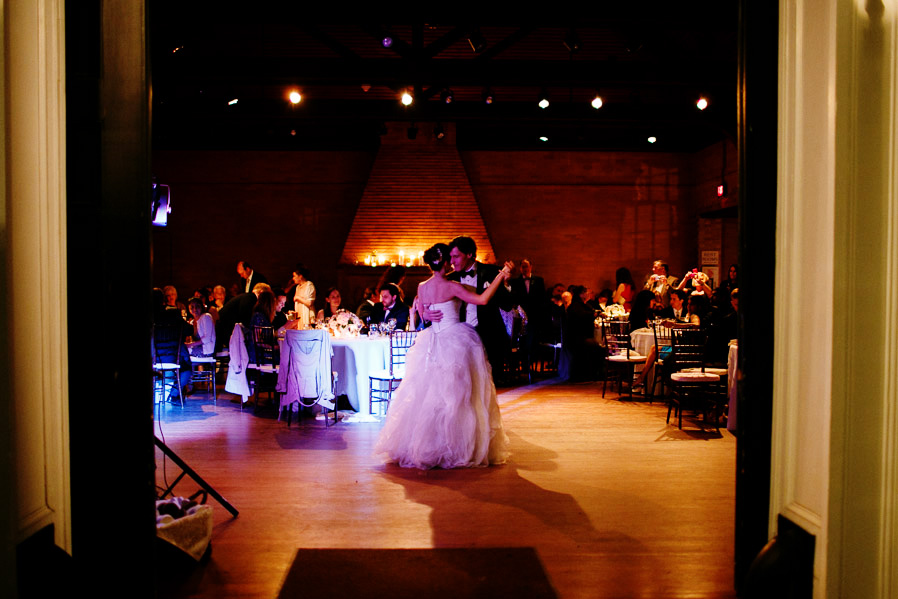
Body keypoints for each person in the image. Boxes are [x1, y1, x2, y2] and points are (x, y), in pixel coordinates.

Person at [374, 243, 512, 470]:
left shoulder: (421, 286)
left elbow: (420, 309)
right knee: (458, 398)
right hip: (455, 341)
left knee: (430, 395)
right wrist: (501, 276)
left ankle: (428, 443)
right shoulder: (452, 286)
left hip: (432, 340)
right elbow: (483, 299)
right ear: (446, 262)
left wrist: (426, 313)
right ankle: (455, 446)